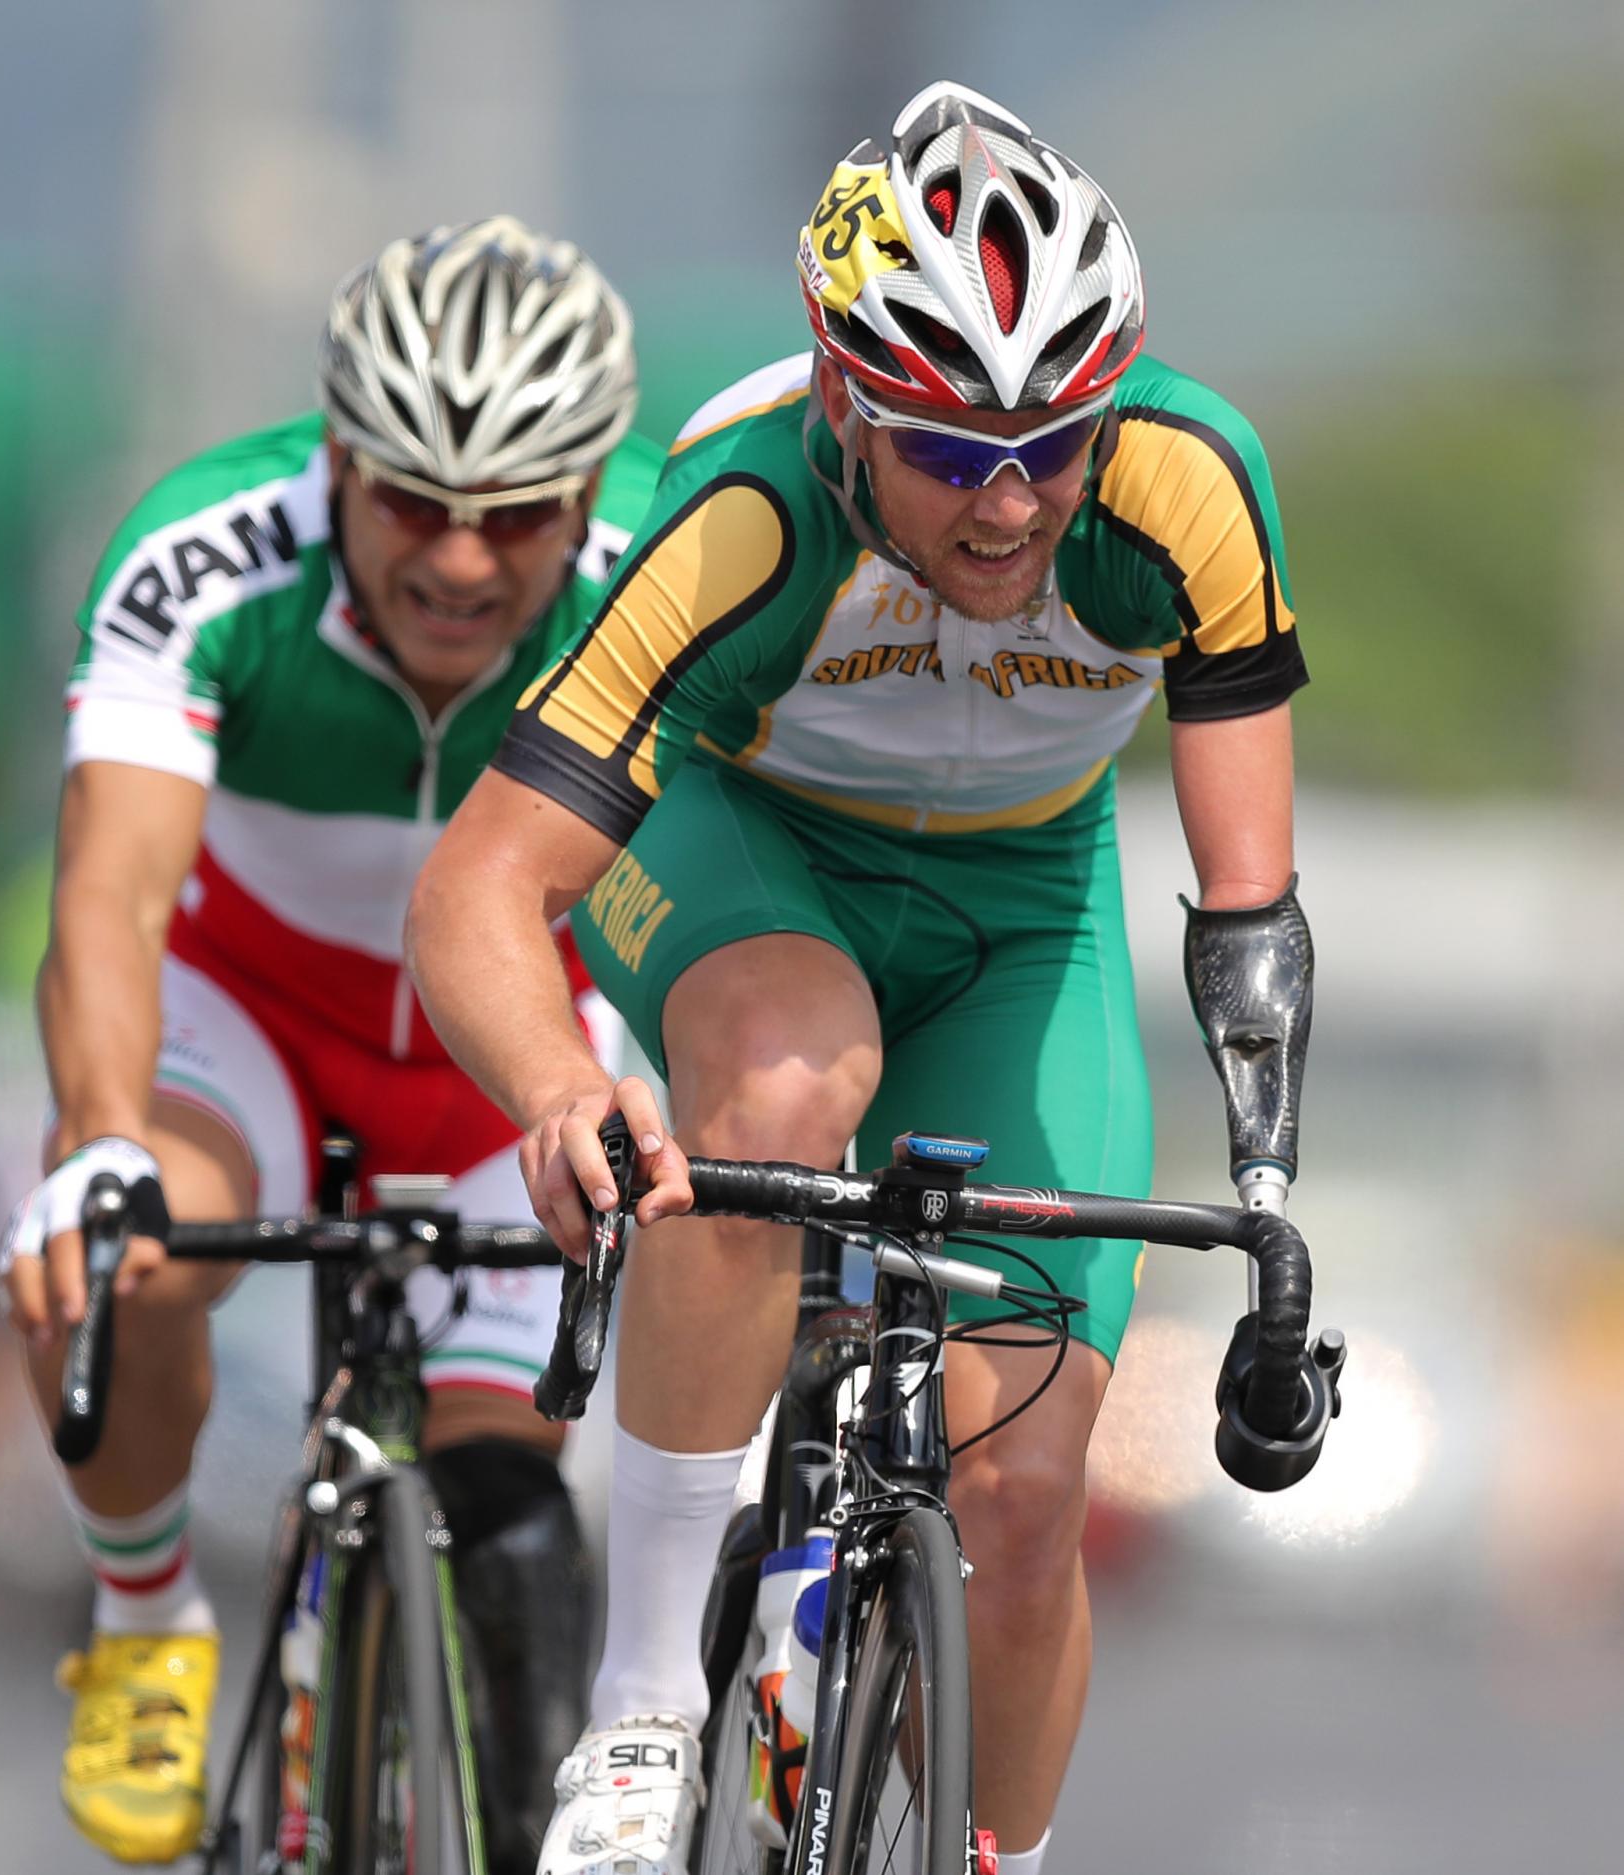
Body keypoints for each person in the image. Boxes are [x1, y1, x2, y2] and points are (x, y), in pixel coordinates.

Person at [406, 83, 1311, 1875]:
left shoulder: (1188, 487)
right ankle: (649, 1706)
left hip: (1021, 910)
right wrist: (563, 1089)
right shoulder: (741, 514)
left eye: (1055, 445)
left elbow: (1246, 900)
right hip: (753, 851)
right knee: (787, 1079)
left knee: (1030, 1491)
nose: (1011, 505)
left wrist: (1270, 1191)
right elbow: (479, 889)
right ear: (844, 402)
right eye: (952, 454)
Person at [0, 216, 664, 1867]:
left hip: (510, 1051)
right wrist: (92, 1148)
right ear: (337, 459)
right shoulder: (207, 551)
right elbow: (110, 895)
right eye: (412, 501)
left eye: (514, 514)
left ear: (588, 493)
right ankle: (146, 1609)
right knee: (120, 1255)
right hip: (251, 1018)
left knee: (509, 1529)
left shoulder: (669, 565)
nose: (457, 559)